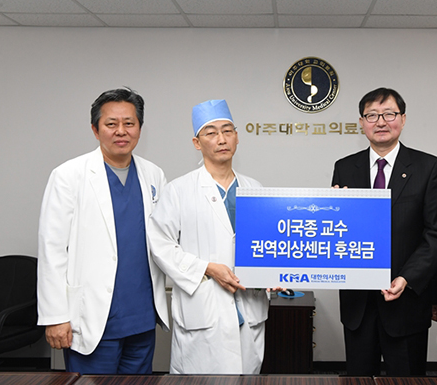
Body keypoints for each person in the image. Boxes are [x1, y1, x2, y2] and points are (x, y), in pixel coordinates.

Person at [37, 88, 169, 374]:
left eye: (129, 123)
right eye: (111, 124)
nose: (121, 131)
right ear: (95, 130)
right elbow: (52, 249)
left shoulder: (154, 175)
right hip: (92, 316)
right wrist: (55, 316)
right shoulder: (68, 175)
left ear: (140, 128)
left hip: (142, 317)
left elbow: (164, 240)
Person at [331, 87, 437, 376]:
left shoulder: (428, 167)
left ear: (403, 119)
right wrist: (333, 211)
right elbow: (338, 231)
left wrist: (407, 277)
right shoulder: (345, 167)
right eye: (372, 115)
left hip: (406, 301)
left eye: (389, 114)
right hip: (358, 305)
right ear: (362, 123)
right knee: (358, 379)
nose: (381, 122)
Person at [148, 99, 270, 374]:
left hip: (248, 308)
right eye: (211, 133)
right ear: (197, 142)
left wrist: (273, 274)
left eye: (227, 131)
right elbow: (160, 245)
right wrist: (207, 268)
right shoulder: (179, 190)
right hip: (202, 310)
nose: (221, 139)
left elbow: (267, 245)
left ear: (237, 137)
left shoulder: (255, 188)